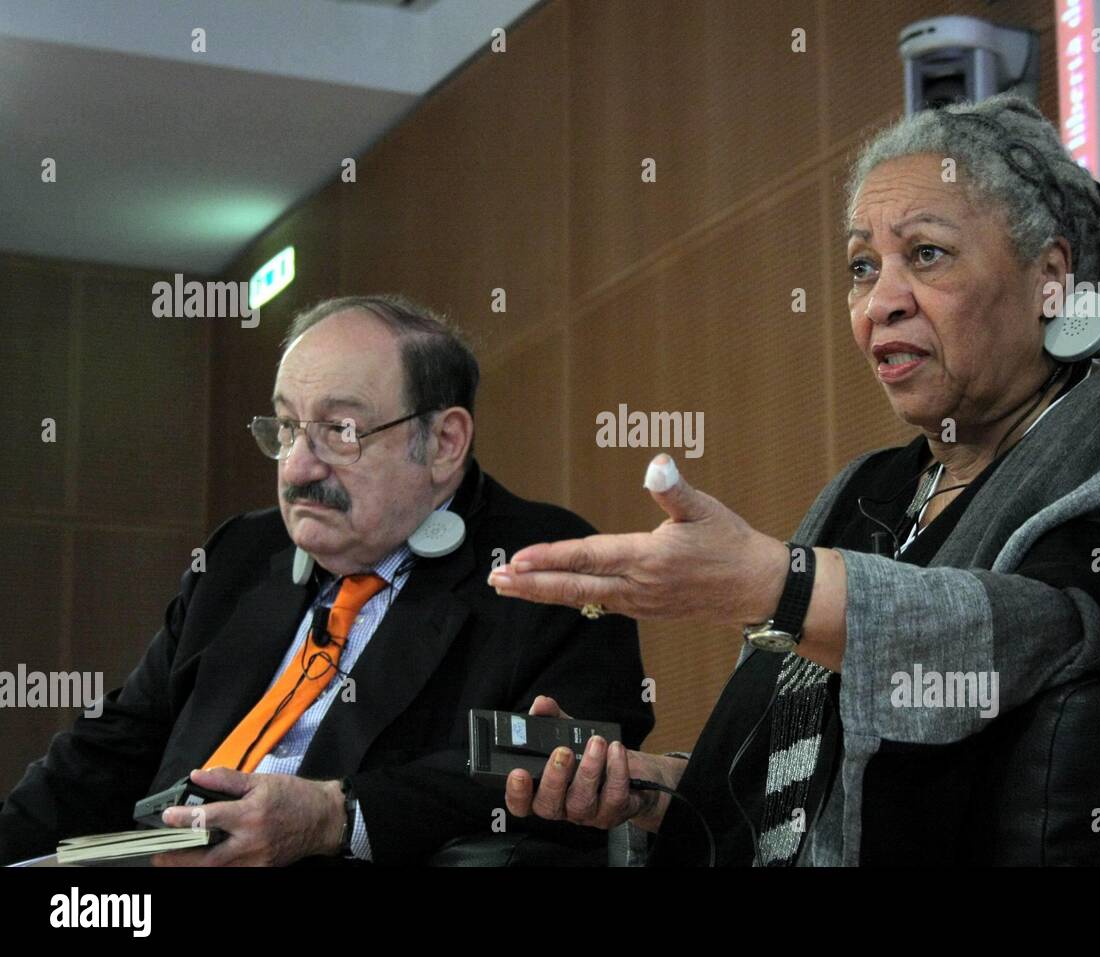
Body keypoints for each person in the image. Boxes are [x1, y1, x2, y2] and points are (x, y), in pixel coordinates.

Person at [490, 94, 1100, 866]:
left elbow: (1046, 632)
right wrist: (649, 787)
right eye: (860, 266)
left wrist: (781, 583)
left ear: (1051, 274)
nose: (879, 302)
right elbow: (790, 764)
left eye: (926, 255)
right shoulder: (865, 490)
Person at [0, 295, 652, 866]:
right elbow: (110, 747)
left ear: (445, 441)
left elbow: (560, 768)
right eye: (287, 428)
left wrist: (331, 815)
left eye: (339, 431)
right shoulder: (241, 555)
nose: (297, 468)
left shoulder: (547, 566)